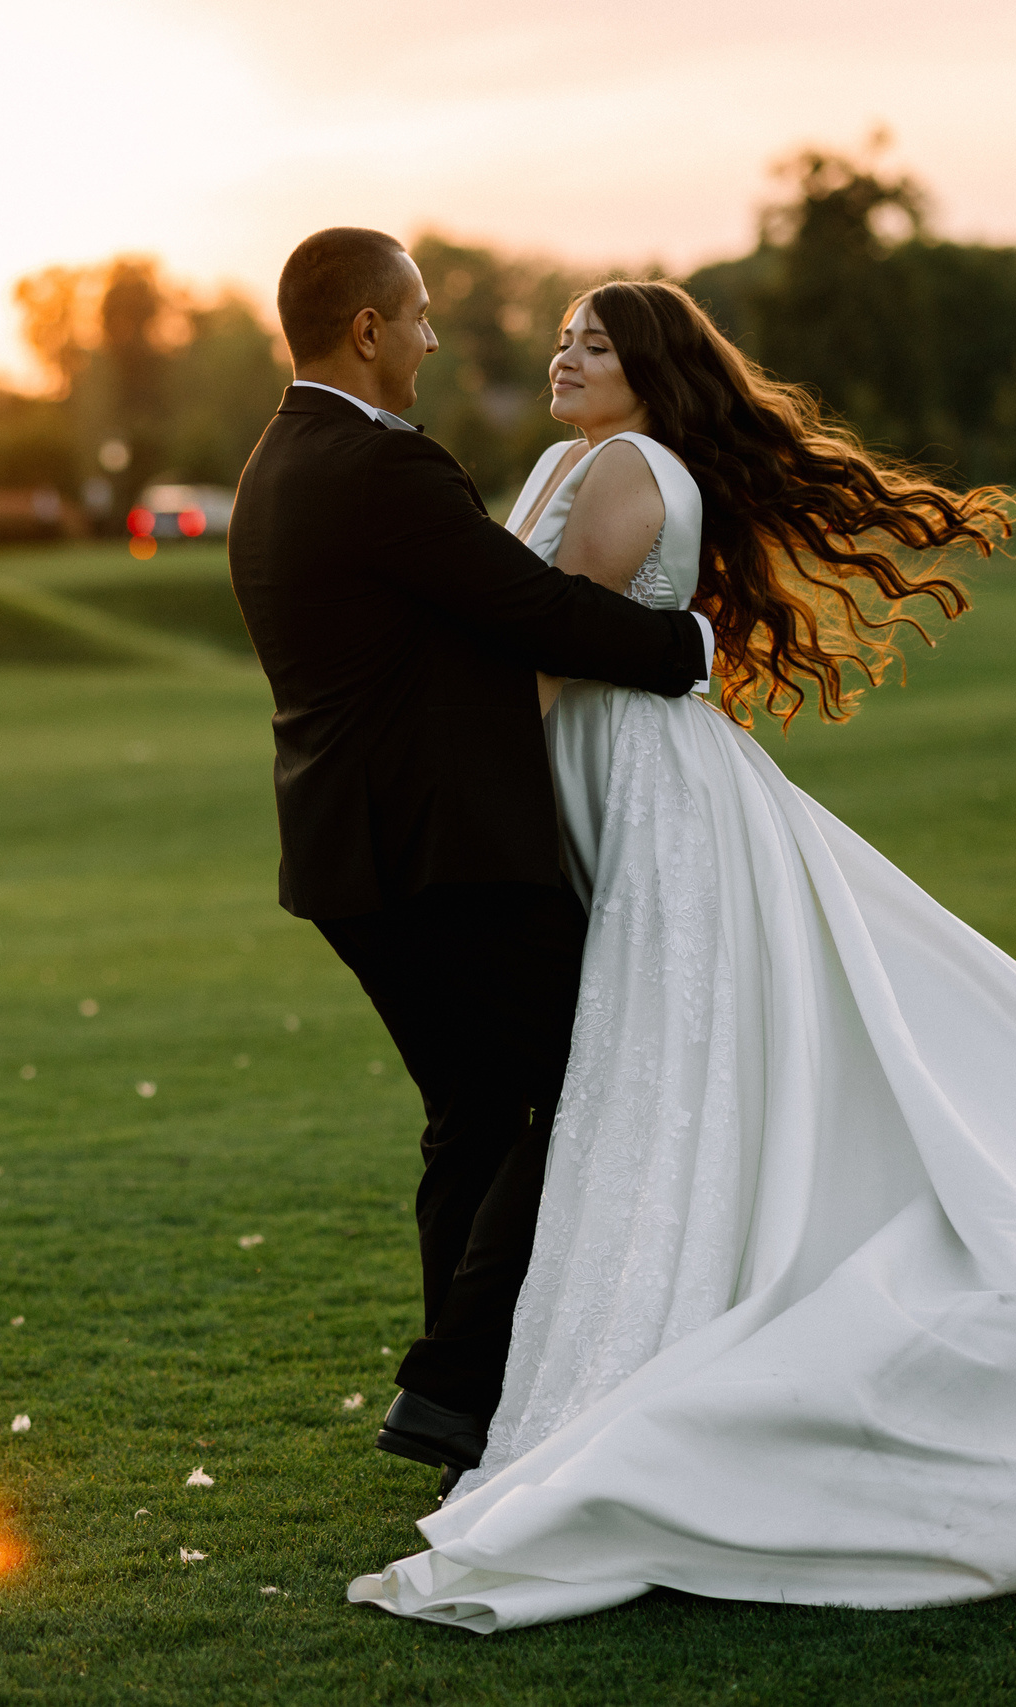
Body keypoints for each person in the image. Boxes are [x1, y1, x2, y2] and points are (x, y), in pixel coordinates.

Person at [349, 280, 1016, 1631]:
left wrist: (449, 782)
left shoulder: (628, 472)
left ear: (652, 372)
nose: (565, 355)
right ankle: (469, 1371)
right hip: (583, 764)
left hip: (635, 781)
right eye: (562, 338)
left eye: (595, 344)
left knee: (645, 1058)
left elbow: (543, 652)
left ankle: (552, 1367)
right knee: (590, 1065)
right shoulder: (562, 459)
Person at [226, 231, 714, 1485]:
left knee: (478, 1118)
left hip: (343, 856)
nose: (437, 341)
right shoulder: (381, 467)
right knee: (592, 1075)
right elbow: (523, 604)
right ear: (369, 331)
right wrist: (686, 651)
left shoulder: (276, 461)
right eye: (423, 318)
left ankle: (465, 1420)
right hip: (444, 852)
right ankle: (451, 1383)